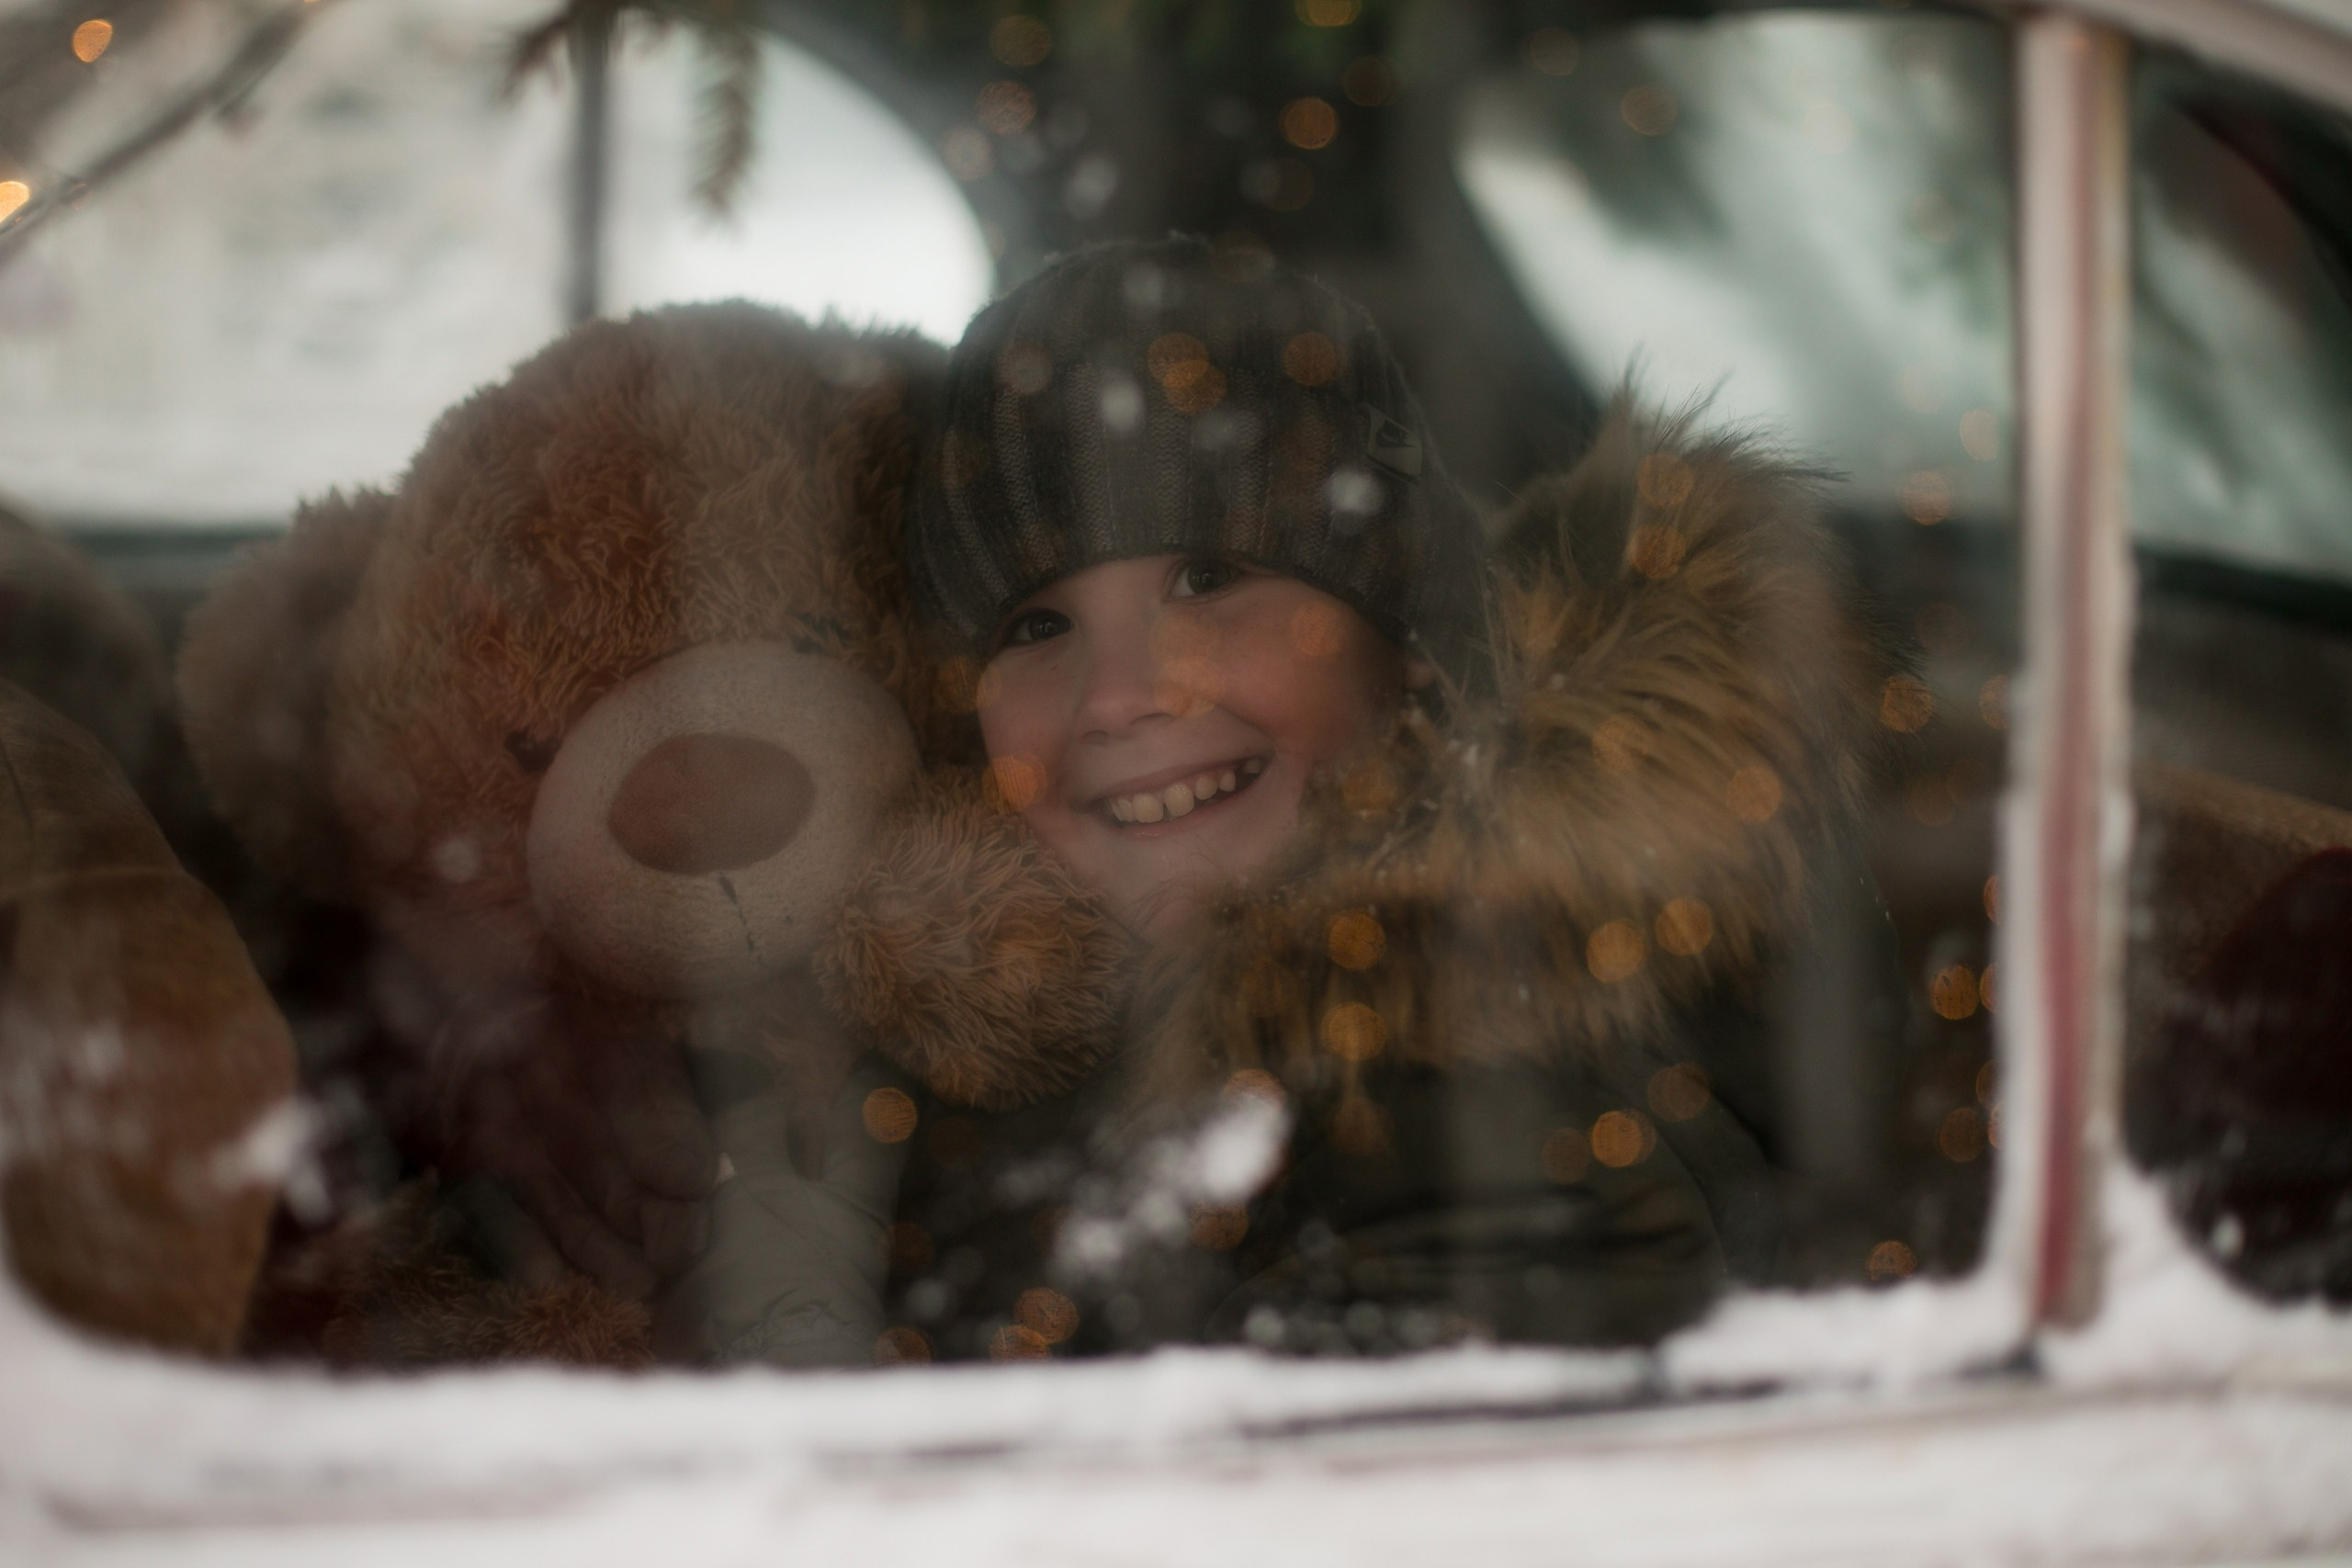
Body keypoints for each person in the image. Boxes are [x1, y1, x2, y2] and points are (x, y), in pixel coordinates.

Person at [869, 236, 1910, 1359]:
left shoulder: (1458, 1131)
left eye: (1207, 579)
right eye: (1034, 625)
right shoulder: (1022, 1094)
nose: (1118, 696)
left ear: (1410, 631)